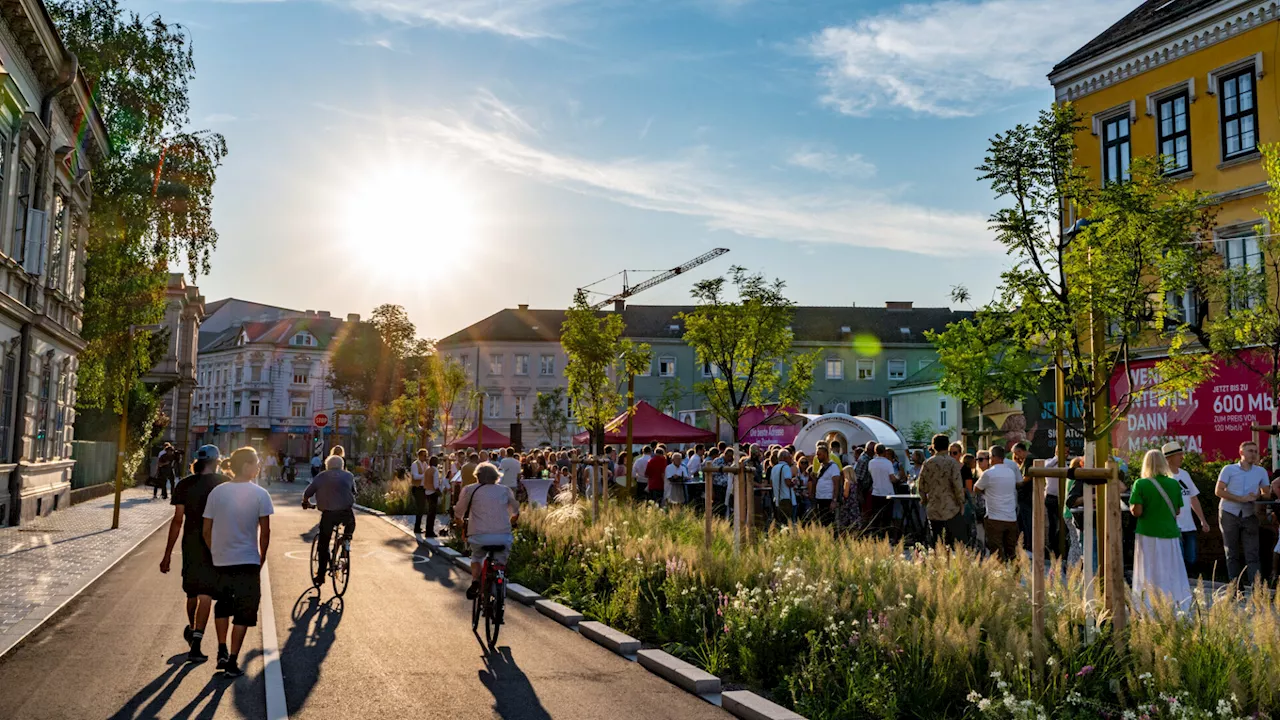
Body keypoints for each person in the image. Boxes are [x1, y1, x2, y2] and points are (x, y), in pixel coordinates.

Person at [202, 447, 274, 678]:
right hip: (248, 560)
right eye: (256, 463)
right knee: (244, 611)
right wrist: (262, 557)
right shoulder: (260, 494)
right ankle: (232, 660)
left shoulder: (217, 493)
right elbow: (265, 532)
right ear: (246, 466)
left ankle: (221, 648)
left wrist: (216, 551)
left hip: (221, 560)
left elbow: (206, 529)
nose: (258, 467)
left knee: (222, 604)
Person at [160, 445, 227, 663]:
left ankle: (192, 630)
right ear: (216, 461)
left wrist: (167, 554)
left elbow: (178, 520)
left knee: (191, 593)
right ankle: (197, 642)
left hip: (190, 544)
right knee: (206, 593)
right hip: (215, 543)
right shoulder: (224, 483)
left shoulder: (184, 484)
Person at [1130, 448, 1191, 611]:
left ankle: (1149, 604)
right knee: (1171, 568)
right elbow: (1177, 511)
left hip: (1147, 532)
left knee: (1148, 569)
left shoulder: (1141, 483)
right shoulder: (1173, 483)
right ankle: (1175, 601)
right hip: (1169, 533)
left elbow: (1138, 511)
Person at [454, 462, 519, 600]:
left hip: (478, 536)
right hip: (503, 536)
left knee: (477, 556)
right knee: (501, 560)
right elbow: (516, 511)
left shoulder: (469, 490)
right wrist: (512, 521)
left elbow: (458, 511)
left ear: (477, 476)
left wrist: (459, 522)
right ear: (496, 477)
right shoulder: (505, 490)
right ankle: (500, 579)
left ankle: (476, 581)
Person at [1216, 441, 1272, 589]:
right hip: (1229, 512)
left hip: (1249, 514)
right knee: (1231, 552)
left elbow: (1266, 493)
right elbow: (1219, 491)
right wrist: (1240, 498)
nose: (1253, 454)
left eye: (1255, 451)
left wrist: (1258, 497)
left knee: (1253, 553)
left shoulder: (1260, 471)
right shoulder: (1229, 469)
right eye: (1250, 451)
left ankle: (1257, 591)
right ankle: (1235, 590)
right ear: (1241, 453)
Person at [302, 454, 357, 586]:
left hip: (328, 514)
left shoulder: (321, 476)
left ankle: (321, 576)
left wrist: (306, 502)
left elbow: (307, 493)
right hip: (346, 512)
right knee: (350, 528)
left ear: (327, 465)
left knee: (323, 543)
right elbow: (354, 491)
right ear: (342, 465)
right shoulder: (349, 476)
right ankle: (344, 543)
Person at [1162, 442, 1207, 574]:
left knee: (1191, 559)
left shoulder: (1184, 474)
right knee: (1178, 560)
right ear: (1169, 458)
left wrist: (1202, 520)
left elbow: (1193, 497)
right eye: (1179, 455)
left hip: (1189, 525)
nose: (1182, 457)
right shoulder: (1163, 477)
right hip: (1173, 526)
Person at [918, 434, 967, 547]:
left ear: (934, 446)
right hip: (951, 508)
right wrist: (961, 502)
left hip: (934, 508)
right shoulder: (952, 463)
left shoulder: (927, 463)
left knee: (937, 542)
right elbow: (957, 485)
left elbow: (921, 486)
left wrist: (924, 500)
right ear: (947, 446)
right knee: (952, 543)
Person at [975, 445, 1019, 561]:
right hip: (1011, 517)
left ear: (993, 457)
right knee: (1011, 550)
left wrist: (986, 491)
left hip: (994, 517)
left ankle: (1001, 575)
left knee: (996, 551)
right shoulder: (1011, 472)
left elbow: (976, 488)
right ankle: (1016, 575)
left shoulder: (989, 474)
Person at [410, 449, 439, 536]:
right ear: (419, 455)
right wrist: (425, 475)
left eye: (426, 455)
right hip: (417, 488)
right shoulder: (415, 464)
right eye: (423, 455)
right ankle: (417, 527)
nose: (425, 457)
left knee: (423, 507)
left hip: (424, 488)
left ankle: (419, 526)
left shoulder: (425, 464)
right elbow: (415, 476)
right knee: (420, 507)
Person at [867, 444, 896, 533]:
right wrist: (898, 479)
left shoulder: (871, 462)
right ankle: (885, 534)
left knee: (876, 515)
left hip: (876, 492)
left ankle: (875, 534)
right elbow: (892, 478)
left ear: (875, 451)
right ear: (884, 452)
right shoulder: (888, 463)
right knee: (887, 516)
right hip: (888, 492)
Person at [809, 445, 841, 525]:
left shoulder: (833, 467)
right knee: (822, 522)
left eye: (819, 454)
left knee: (829, 522)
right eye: (817, 454)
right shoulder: (822, 466)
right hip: (820, 498)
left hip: (828, 499)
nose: (817, 457)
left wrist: (834, 500)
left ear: (826, 454)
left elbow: (836, 485)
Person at [771, 449, 796, 525]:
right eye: (789, 457)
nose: (791, 459)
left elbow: (771, 483)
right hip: (787, 499)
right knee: (790, 523)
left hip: (778, 500)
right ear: (784, 458)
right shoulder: (786, 467)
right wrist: (794, 482)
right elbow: (788, 482)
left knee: (781, 523)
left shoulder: (774, 468)